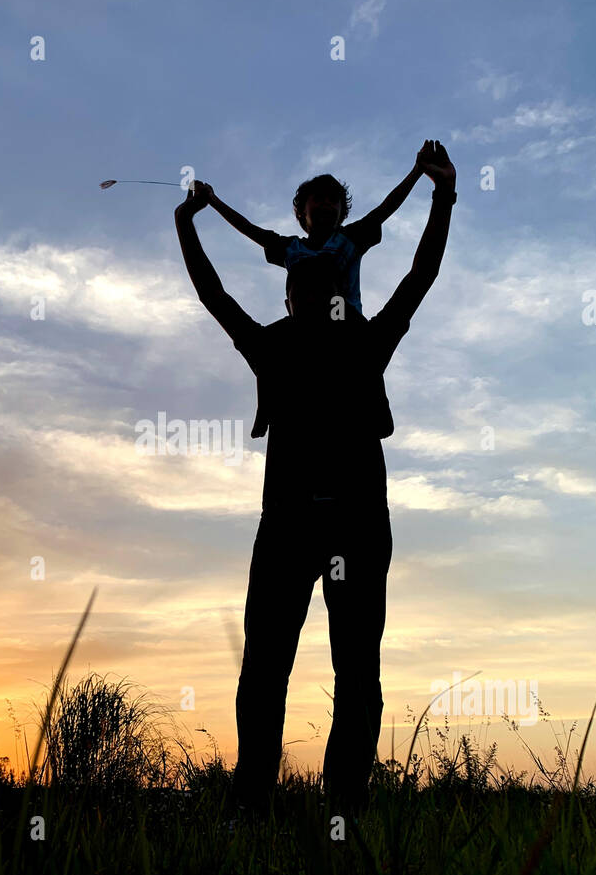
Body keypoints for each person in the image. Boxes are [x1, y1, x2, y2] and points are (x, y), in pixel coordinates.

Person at [174, 140, 456, 814]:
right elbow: (214, 293)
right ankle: (258, 804)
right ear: (292, 293)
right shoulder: (289, 345)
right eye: (308, 281)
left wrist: (441, 194)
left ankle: (338, 807)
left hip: (349, 526)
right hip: (296, 528)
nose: (317, 285)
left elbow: (420, 274)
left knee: (345, 670)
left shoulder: (352, 339)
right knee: (275, 669)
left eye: (327, 279)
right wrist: (189, 224)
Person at [207, 165, 424, 319]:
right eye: (319, 199)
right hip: (306, 329)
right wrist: (213, 200)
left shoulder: (350, 238)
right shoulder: (291, 248)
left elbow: (385, 208)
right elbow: (249, 228)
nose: (326, 204)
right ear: (302, 212)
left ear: (342, 214)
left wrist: (417, 171)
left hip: (345, 329)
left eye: (333, 200)